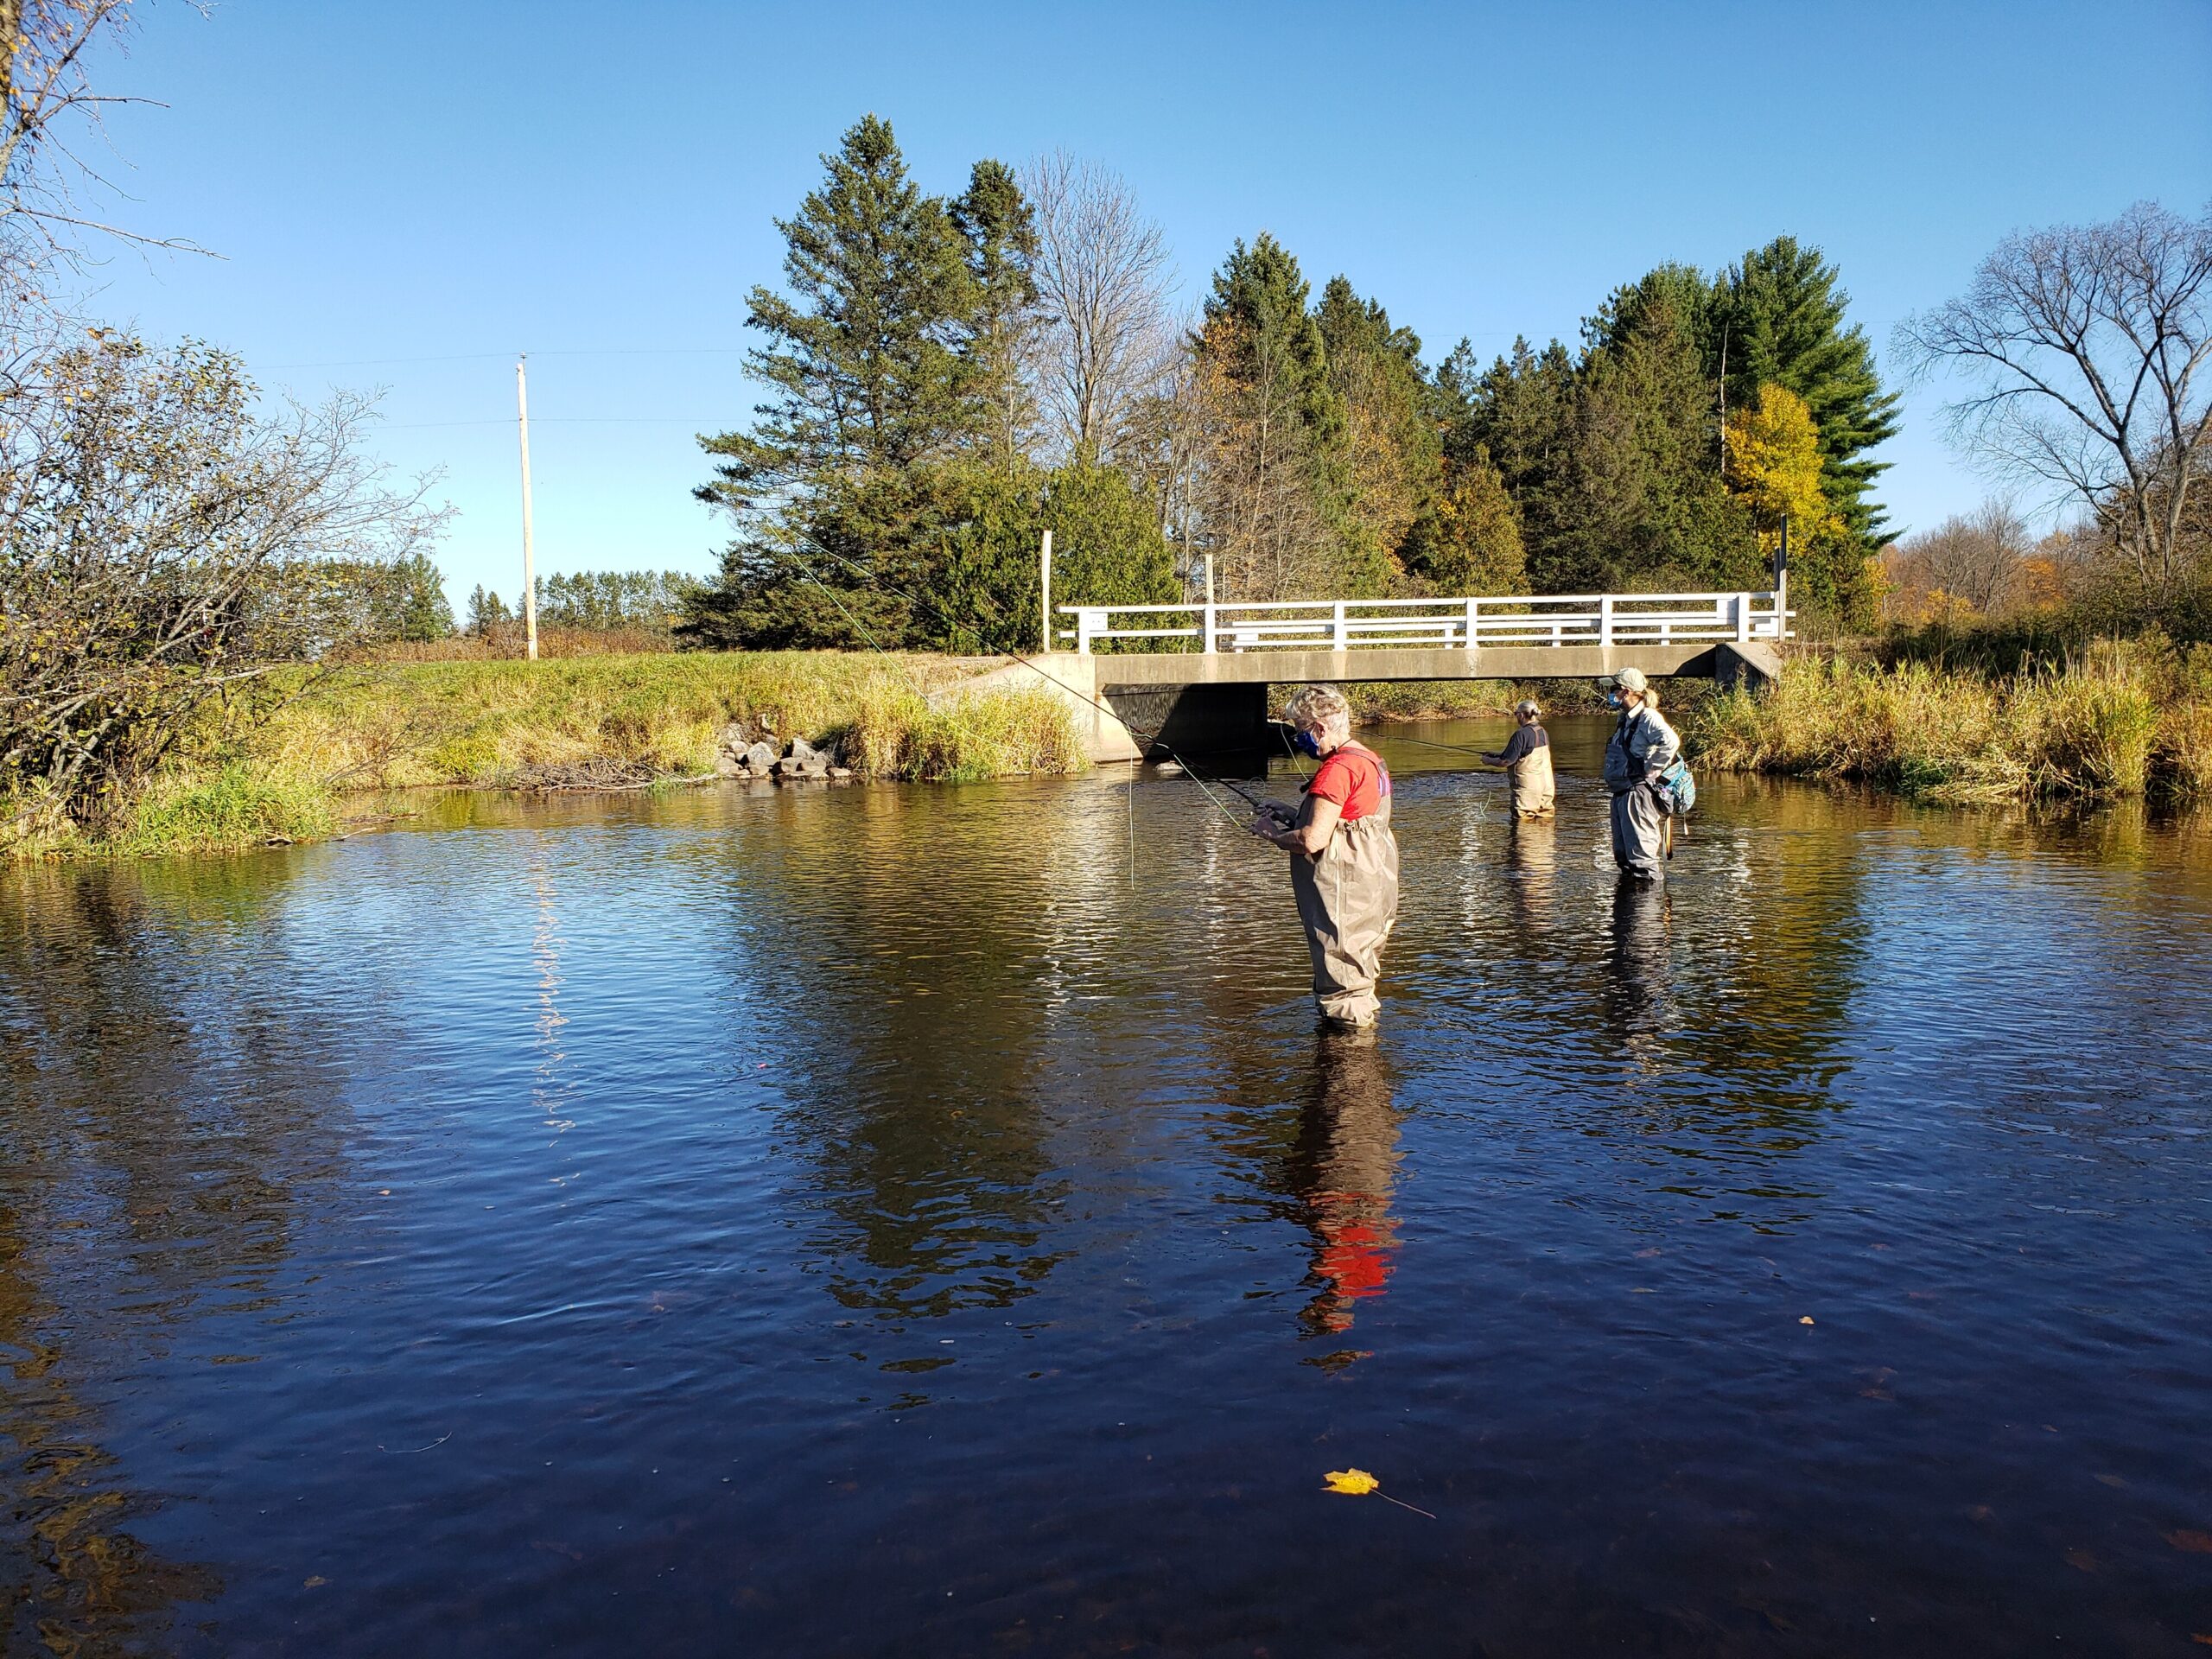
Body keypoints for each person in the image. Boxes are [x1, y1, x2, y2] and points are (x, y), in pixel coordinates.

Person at [1250, 684, 1400, 1028]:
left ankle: (1351, 1070)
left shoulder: (1337, 770)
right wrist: (1290, 811)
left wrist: (1271, 834)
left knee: (1343, 980)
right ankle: (1362, 1054)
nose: (1299, 742)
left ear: (1319, 728)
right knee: (1360, 967)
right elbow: (1347, 820)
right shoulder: (1369, 759)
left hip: (1344, 890)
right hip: (1372, 883)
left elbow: (1313, 839)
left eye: (1301, 733)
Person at [1600, 667, 1680, 881]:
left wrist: (1652, 769)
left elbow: (1671, 742)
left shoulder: (1648, 717)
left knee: (1642, 861)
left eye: (1613, 689)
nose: (1610, 693)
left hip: (1637, 794)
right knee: (1624, 858)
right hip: (1621, 794)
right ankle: (1628, 911)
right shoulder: (1625, 718)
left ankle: (1648, 911)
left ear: (1625, 691)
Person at [1483, 698, 1554, 819]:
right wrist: (1495, 754)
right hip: (1545, 790)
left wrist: (1488, 760)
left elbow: (1505, 762)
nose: (1516, 716)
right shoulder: (1542, 732)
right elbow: (1523, 754)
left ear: (1521, 715)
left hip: (1527, 792)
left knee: (1523, 829)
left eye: (1516, 714)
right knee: (1545, 825)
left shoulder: (1521, 734)